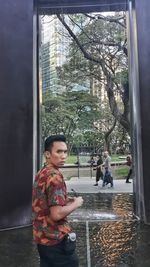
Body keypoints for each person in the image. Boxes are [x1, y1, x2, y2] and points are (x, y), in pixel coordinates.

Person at [32, 135, 84, 267]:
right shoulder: (55, 176)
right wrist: (76, 203)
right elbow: (56, 214)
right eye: (59, 151)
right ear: (47, 154)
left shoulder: (42, 172)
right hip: (56, 240)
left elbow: (44, 201)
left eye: (65, 151)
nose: (64, 156)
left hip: (42, 238)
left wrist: (65, 200)